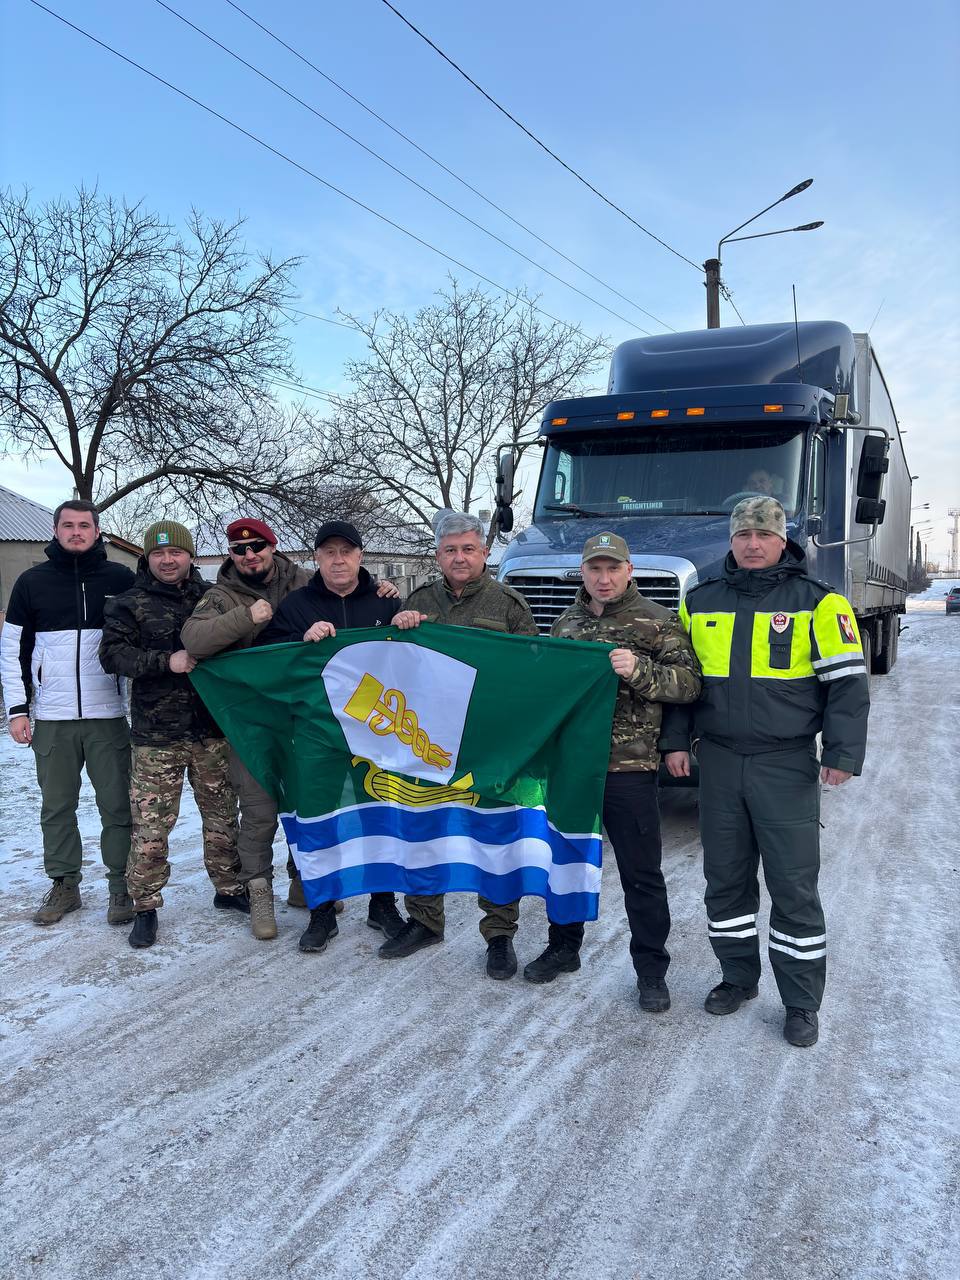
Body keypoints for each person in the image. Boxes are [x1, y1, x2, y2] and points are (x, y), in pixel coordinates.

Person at [660, 497, 869, 1048]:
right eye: (743, 535)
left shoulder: (820, 603)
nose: (752, 544)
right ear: (731, 540)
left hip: (786, 763)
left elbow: (848, 684)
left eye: (764, 534)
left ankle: (801, 1001)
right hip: (720, 760)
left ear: (784, 540)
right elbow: (683, 684)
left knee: (793, 886)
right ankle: (737, 978)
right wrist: (676, 742)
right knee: (725, 880)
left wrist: (842, 753)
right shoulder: (699, 601)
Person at [180, 516, 396, 942]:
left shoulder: (301, 582)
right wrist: (249, 617)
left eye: (257, 547)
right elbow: (196, 640)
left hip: (320, 723)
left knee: (332, 806)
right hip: (256, 721)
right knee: (262, 810)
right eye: (239, 549)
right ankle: (263, 891)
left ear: (273, 548)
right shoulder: (223, 596)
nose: (249, 555)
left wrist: (382, 591)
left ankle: (320, 886)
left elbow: (342, 591)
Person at [520, 532, 702, 1010]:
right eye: (594, 569)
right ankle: (564, 947)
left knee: (642, 875)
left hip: (630, 769)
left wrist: (638, 669)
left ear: (629, 571)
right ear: (583, 572)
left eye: (612, 569)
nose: (603, 578)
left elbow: (689, 686)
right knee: (567, 863)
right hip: (574, 769)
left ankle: (651, 971)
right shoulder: (565, 625)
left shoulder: (659, 624)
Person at [378, 510, 538, 980]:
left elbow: (533, 675)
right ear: (437, 556)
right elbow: (395, 666)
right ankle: (425, 921)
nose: (460, 557)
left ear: (484, 553)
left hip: (488, 740)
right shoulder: (419, 599)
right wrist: (400, 625)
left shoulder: (509, 603)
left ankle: (500, 934)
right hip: (427, 739)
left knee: (494, 836)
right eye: (450, 550)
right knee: (423, 830)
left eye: (469, 549)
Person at [256, 520, 422, 954]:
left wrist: (407, 621)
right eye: (328, 552)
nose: (338, 559)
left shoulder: (385, 601)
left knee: (381, 814)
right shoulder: (297, 605)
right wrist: (299, 639)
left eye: (346, 551)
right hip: (318, 733)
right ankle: (322, 911)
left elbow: (411, 661)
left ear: (360, 555)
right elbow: (270, 659)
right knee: (317, 818)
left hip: (378, 732)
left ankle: (382, 904)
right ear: (316, 558)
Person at [99, 520, 245, 949]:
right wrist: (168, 661)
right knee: (151, 828)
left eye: (176, 552)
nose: (168, 560)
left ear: (190, 556)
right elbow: (113, 655)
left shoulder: (214, 599)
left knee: (222, 817)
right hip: (156, 736)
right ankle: (145, 905)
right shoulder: (129, 602)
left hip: (212, 730)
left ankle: (229, 888)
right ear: (147, 558)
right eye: (159, 554)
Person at [0, 499, 135, 927]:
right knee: (57, 807)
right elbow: (11, 652)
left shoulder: (121, 579)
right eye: (68, 525)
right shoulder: (31, 582)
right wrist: (17, 710)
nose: (76, 532)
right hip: (53, 718)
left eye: (84, 525)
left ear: (97, 531)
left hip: (108, 715)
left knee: (117, 807)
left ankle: (121, 885)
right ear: (55, 530)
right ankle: (65, 884)